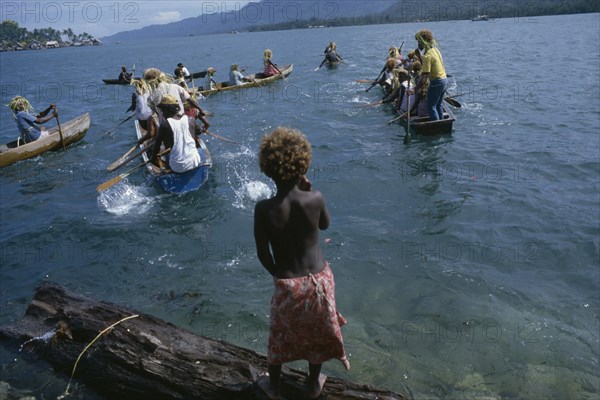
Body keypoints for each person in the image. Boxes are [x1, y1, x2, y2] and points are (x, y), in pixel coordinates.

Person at [254, 127, 350, 400]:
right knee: (318, 331)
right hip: (320, 278)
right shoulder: (314, 198)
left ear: (268, 169)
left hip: (288, 281)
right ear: (302, 164)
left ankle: (274, 386)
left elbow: (263, 253)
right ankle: (312, 384)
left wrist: (281, 276)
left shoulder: (264, 209)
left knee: (280, 334)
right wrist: (310, 190)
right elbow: (325, 224)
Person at [144, 67, 209, 133]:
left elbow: (156, 113)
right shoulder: (176, 87)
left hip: (167, 126)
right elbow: (191, 100)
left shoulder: (151, 98)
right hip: (182, 121)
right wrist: (201, 110)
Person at [150, 94, 202, 173]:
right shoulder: (190, 119)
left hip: (177, 167)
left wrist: (153, 159)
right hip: (195, 161)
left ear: (168, 109)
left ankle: (168, 170)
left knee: (167, 154)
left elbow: (157, 145)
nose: (162, 113)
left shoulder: (165, 125)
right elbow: (199, 131)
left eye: (163, 110)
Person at [414, 29, 447, 120]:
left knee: (431, 106)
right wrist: (419, 57)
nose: (418, 44)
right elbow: (426, 66)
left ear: (423, 41)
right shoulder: (435, 50)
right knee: (438, 105)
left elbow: (425, 75)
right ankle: (441, 124)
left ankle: (436, 126)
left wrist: (415, 89)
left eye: (419, 41)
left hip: (436, 81)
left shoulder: (428, 55)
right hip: (444, 80)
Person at [128, 78, 156, 144]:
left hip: (141, 116)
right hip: (149, 114)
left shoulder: (134, 94)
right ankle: (153, 135)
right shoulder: (150, 91)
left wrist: (133, 108)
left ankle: (148, 135)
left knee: (140, 115)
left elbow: (133, 108)